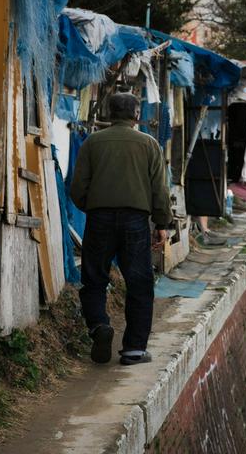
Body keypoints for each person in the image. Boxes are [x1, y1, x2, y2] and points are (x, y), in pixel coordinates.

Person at [70, 91, 172, 365]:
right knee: (139, 282)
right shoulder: (149, 144)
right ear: (136, 115)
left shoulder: (92, 143)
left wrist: (92, 206)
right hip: (135, 221)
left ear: (108, 112)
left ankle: (99, 326)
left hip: (99, 218)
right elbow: (159, 191)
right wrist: (162, 223)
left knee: (94, 279)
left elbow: (76, 187)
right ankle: (133, 349)